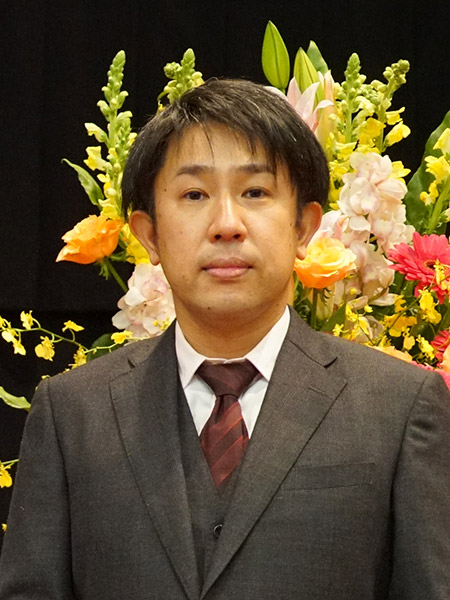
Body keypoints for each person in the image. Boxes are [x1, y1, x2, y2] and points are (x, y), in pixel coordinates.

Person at [1, 78, 450, 600]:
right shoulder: (73, 413)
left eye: (255, 192)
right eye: (194, 195)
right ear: (149, 234)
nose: (226, 224)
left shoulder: (399, 406)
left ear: (304, 226)